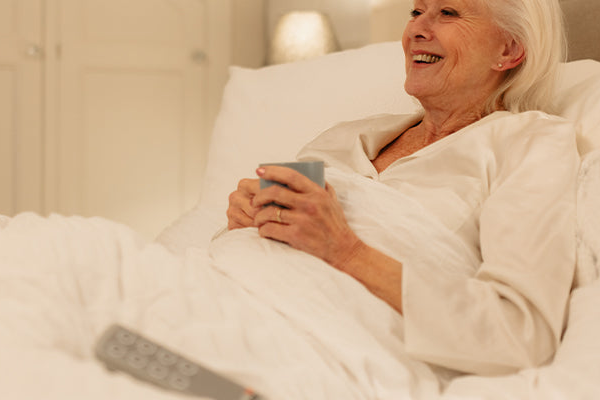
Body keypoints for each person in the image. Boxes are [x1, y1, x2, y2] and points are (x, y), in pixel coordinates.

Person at [225, 0, 578, 376]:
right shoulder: (344, 137)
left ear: (508, 50)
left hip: (311, 352)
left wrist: (346, 251)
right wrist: (250, 217)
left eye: (448, 13)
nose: (417, 30)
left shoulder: (529, 143)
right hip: (225, 295)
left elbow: (520, 333)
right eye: (416, 12)